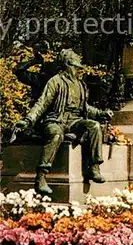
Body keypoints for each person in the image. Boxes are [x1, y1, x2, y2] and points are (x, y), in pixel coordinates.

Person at [15, 49, 113, 196]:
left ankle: (93, 167)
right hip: (56, 120)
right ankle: (41, 176)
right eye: (75, 66)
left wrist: (100, 113)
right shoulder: (55, 81)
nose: (78, 70)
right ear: (68, 64)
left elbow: (84, 107)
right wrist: (28, 120)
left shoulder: (80, 85)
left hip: (74, 121)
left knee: (94, 126)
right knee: (56, 135)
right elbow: (42, 103)